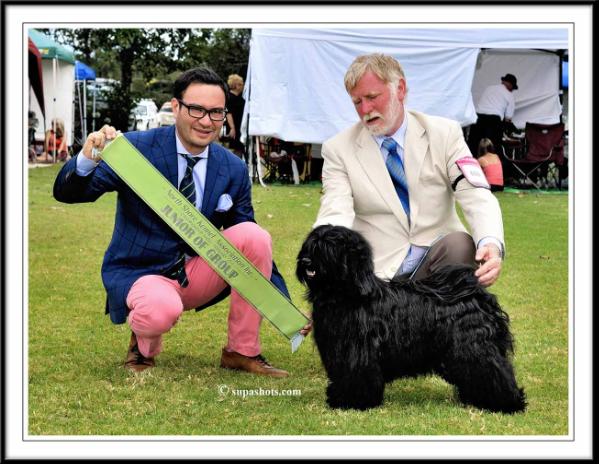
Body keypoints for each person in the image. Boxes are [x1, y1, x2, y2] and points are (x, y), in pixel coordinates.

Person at [53, 66, 310, 376]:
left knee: (253, 235)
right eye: (196, 109)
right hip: (142, 272)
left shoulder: (233, 168)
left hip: (197, 272)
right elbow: (69, 194)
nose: (206, 121)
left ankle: (241, 352)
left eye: (216, 113)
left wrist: (282, 303)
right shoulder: (136, 149)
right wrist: (86, 159)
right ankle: (143, 346)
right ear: (175, 107)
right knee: (160, 310)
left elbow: (253, 248)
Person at [314, 53, 504, 287]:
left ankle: (448, 322)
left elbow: (475, 194)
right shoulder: (337, 149)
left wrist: (490, 242)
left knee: (460, 245)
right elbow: (335, 210)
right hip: (378, 276)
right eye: (357, 102)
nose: (365, 109)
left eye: (372, 97)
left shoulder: (445, 133)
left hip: (438, 259)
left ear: (400, 89)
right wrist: (323, 262)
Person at [467, 73, 519, 156]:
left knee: (474, 146)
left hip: (478, 118)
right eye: (513, 88)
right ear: (510, 84)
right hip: (493, 121)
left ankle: (471, 166)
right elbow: (508, 118)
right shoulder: (509, 95)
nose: (512, 90)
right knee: (491, 148)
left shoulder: (489, 88)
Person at [223, 74, 246, 161]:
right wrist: (232, 128)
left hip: (240, 126)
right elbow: (229, 113)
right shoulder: (229, 97)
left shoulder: (240, 98)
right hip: (234, 126)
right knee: (236, 148)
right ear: (236, 85)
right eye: (241, 84)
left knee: (240, 148)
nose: (243, 86)